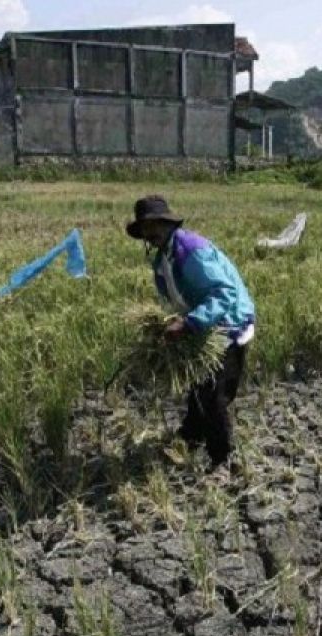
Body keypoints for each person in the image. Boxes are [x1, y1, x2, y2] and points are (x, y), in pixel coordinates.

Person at [126, 195, 256, 471]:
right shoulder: (163, 259)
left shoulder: (190, 250)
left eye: (156, 225)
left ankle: (222, 456)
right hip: (202, 325)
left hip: (229, 323)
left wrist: (189, 324)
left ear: (167, 223)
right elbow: (177, 297)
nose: (152, 233)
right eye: (146, 228)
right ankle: (191, 435)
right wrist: (170, 323)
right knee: (198, 383)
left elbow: (224, 293)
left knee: (213, 394)